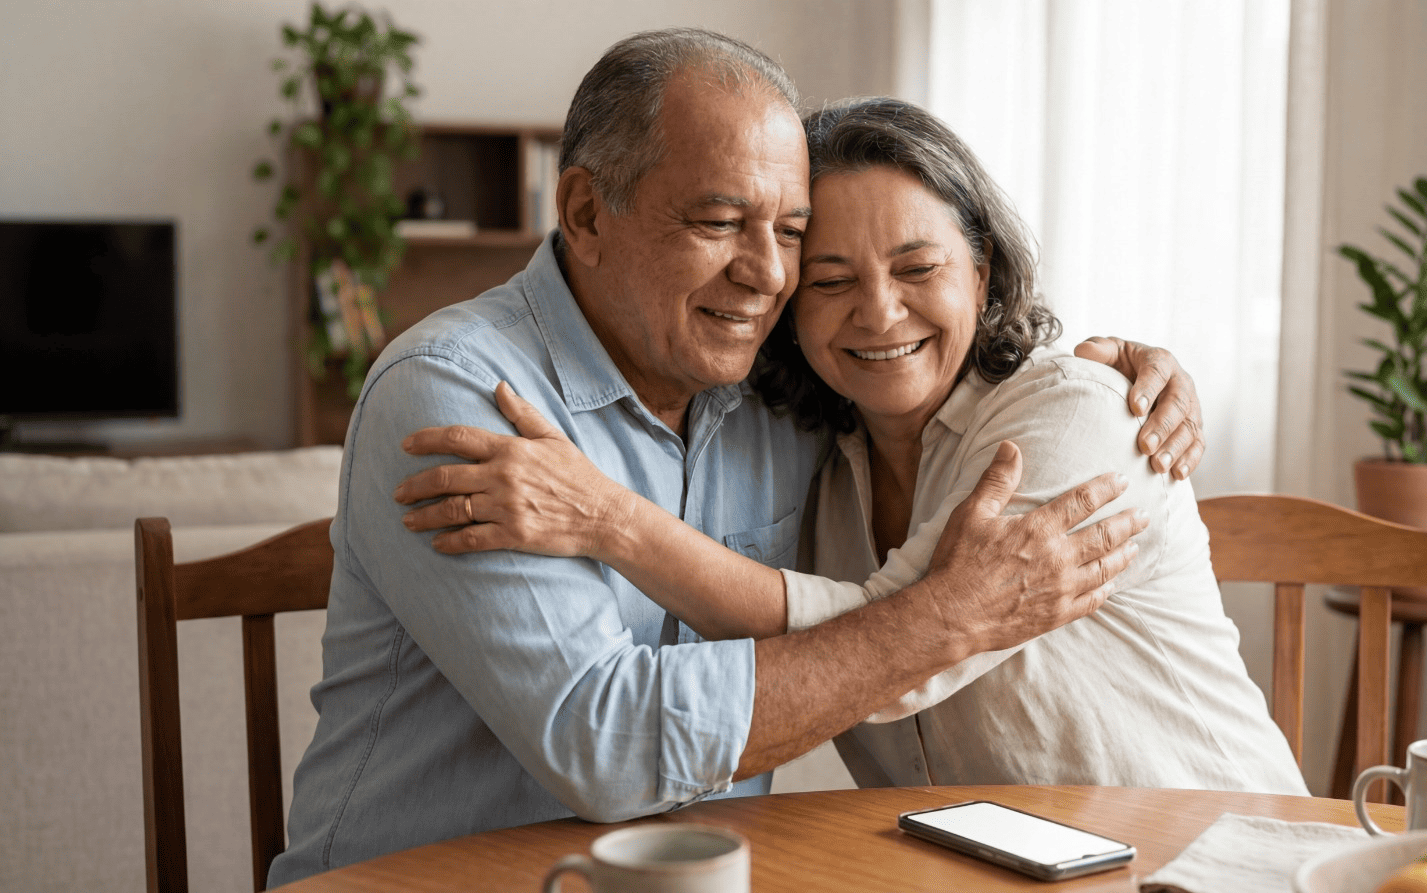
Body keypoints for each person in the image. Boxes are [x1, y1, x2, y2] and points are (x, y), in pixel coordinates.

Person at [269, 29, 1200, 886]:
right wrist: (950, 615)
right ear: (587, 212)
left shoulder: (777, 395)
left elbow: (912, 335)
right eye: (719, 221)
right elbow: (610, 744)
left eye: (793, 234)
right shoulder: (455, 394)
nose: (769, 275)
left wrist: (1124, 368)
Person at [396, 96, 1306, 795]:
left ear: (981, 273)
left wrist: (608, 519)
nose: (879, 313)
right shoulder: (807, 458)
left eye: (919, 269)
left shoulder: (1082, 418)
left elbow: (901, 653)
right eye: (830, 280)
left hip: (1215, 857)